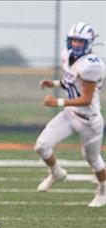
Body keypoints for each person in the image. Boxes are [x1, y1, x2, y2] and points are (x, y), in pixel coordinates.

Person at [35, 22, 106, 207]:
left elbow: (86, 99)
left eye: (79, 41)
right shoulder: (67, 56)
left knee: (93, 159)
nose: (75, 45)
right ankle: (56, 172)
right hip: (70, 114)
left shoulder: (92, 65)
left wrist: (57, 102)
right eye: (73, 40)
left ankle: (103, 190)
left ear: (89, 43)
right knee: (42, 146)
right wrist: (54, 84)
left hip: (89, 120)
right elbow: (71, 81)